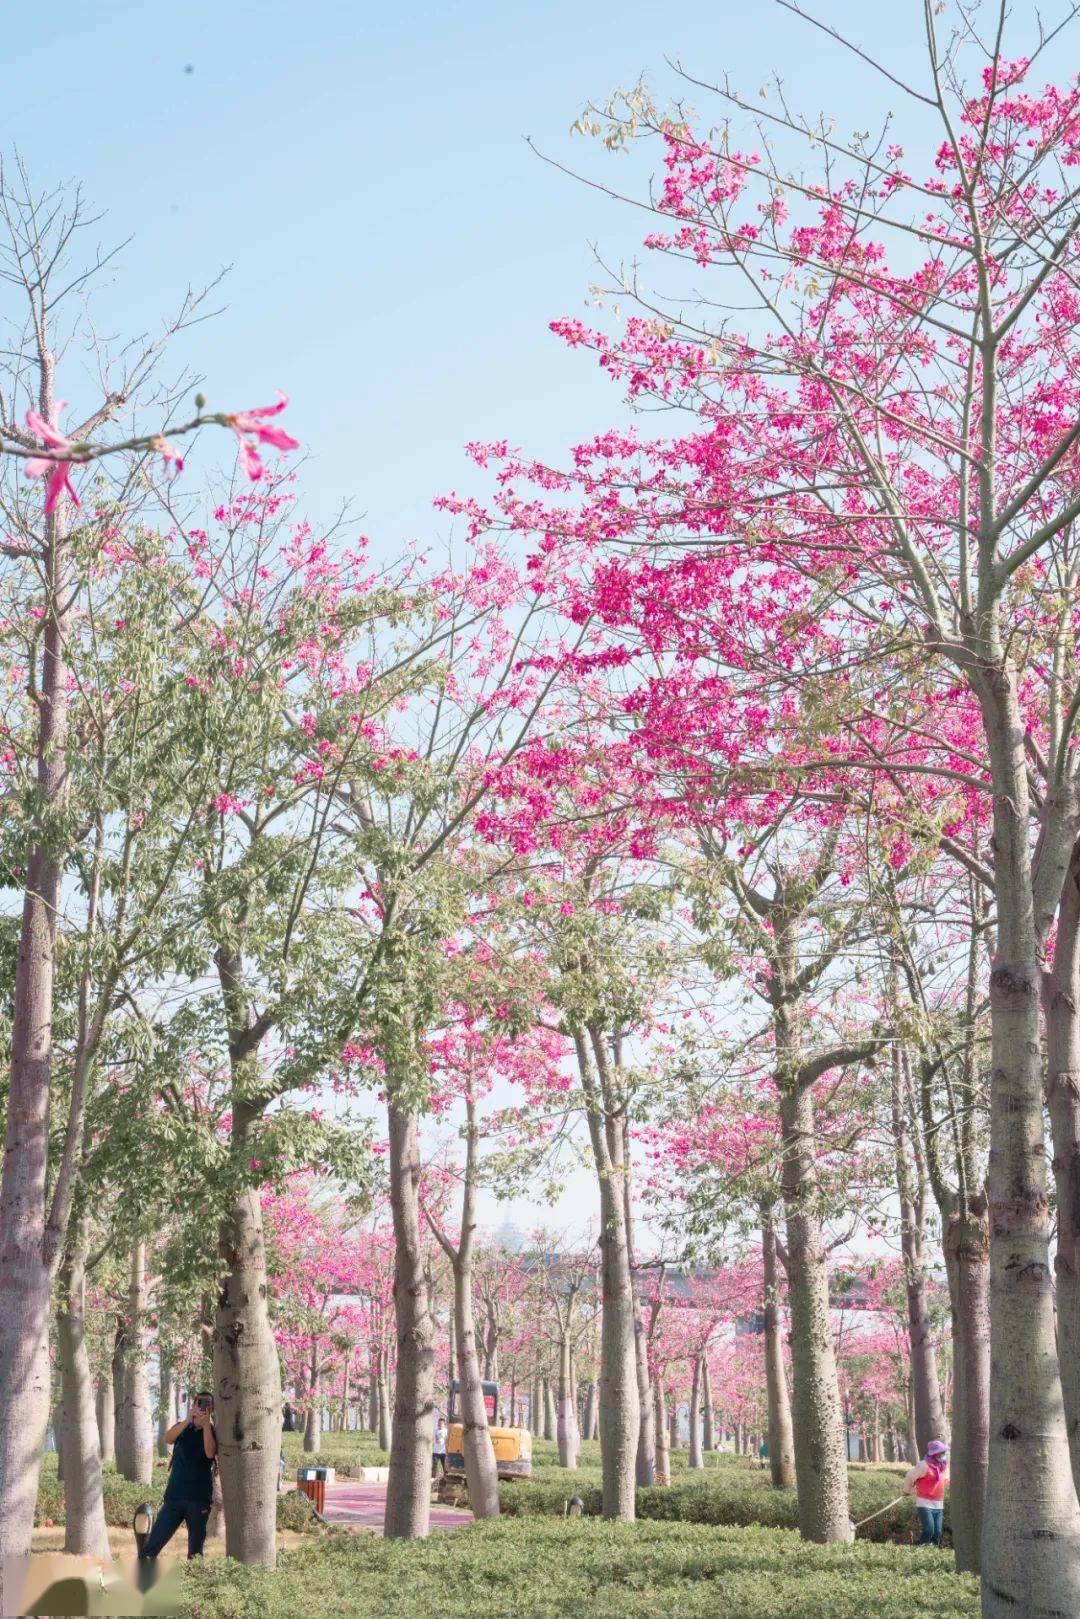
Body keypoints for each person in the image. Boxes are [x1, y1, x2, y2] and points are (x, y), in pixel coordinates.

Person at [138, 1392, 218, 1561]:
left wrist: (205, 1426)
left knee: (195, 1552)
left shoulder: (212, 1431)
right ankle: (142, 1579)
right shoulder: (183, 1427)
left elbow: (210, 1453)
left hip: (199, 1500)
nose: (203, 1407)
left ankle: (195, 1584)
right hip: (174, 1497)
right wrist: (189, 1419)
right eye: (200, 1403)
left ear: (212, 1409)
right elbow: (168, 1438)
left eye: (207, 1404)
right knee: (152, 1545)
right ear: (193, 1405)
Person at [904, 1438, 949, 1547]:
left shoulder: (943, 1466)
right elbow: (910, 1476)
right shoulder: (924, 1465)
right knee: (929, 1530)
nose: (944, 1455)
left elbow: (945, 1480)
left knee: (937, 1532)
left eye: (944, 1453)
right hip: (925, 1503)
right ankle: (917, 1547)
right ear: (934, 1454)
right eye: (941, 1453)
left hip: (938, 1504)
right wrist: (906, 1491)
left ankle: (933, 1553)